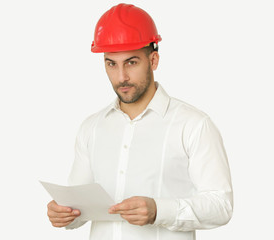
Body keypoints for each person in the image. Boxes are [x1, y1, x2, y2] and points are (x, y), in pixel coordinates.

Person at [46, 3, 233, 240]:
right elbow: (78, 208)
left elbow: (221, 206)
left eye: (131, 62)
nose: (121, 76)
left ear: (153, 60)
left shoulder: (193, 125)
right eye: (111, 64)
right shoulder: (91, 128)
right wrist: (64, 215)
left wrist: (158, 211)